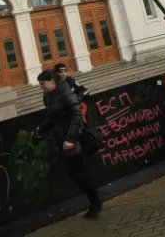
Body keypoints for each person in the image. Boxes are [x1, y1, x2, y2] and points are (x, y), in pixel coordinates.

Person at [36, 70, 101, 218]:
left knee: (76, 172)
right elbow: (52, 117)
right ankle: (94, 200)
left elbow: (77, 115)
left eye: (43, 84)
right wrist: (41, 129)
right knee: (76, 172)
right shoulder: (48, 96)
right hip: (62, 138)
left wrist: (71, 138)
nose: (42, 87)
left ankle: (95, 201)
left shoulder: (66, 94)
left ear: (52, 81)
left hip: (72, 139)